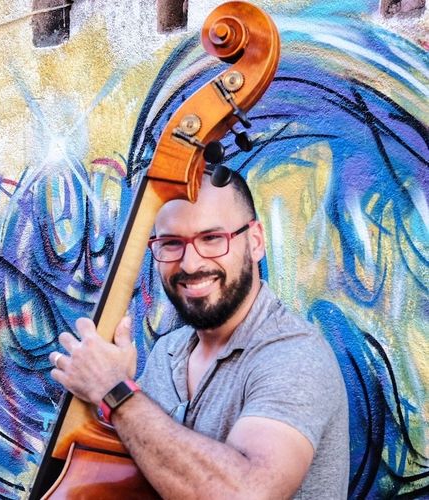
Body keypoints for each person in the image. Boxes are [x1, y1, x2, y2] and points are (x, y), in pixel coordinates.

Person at [49, 171, 350, 499]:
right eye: (171, 243)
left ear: (255, 241)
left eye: (212, 238)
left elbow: (246, 494)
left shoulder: (294, 357)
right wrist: (103, 397)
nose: (190, 264)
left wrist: (114, 390)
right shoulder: (167, 353)